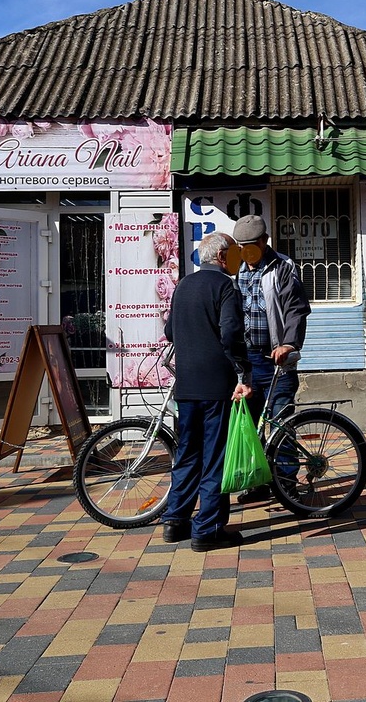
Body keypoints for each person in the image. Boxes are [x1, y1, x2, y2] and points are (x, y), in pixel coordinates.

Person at [160, 232, 253, 552]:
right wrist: (243, 369)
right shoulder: (226, 286)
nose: (239, 261)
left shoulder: (184, 285)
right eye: (236, 255)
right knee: (215, 458)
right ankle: (208, 529)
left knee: (187, 454)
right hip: (217, 386)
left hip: (185, 385)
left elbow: (169, 331)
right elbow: (231, 334)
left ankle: (176, 522)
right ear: (223, 257)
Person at [230, 214, 311, 503]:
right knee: (248, 426)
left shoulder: (282, 266)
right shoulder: (234, 270)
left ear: (264, 242)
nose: (246, 250)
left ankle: (287, 484)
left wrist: (289, 344)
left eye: (251, 244)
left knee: (280, 424)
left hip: (275, 359)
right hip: (246, 363)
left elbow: (296, 308)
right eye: (241, 245)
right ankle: (258, 482)